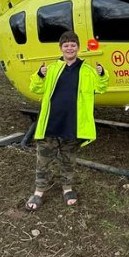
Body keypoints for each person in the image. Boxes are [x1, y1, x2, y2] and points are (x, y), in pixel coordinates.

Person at [24, 31, 108, 210]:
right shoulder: (51, 69)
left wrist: (102, 74)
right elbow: (35, 88)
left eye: (73, 45)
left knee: (68, 160)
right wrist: (39, 75)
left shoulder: (87, 70)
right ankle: (39, 191)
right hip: (51, 123)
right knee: (43, 160)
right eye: (66, 45)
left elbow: (101, 87)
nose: (70, 48)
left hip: (73, 124)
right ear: (61, 48)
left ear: (78, 47)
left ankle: (67, 188)